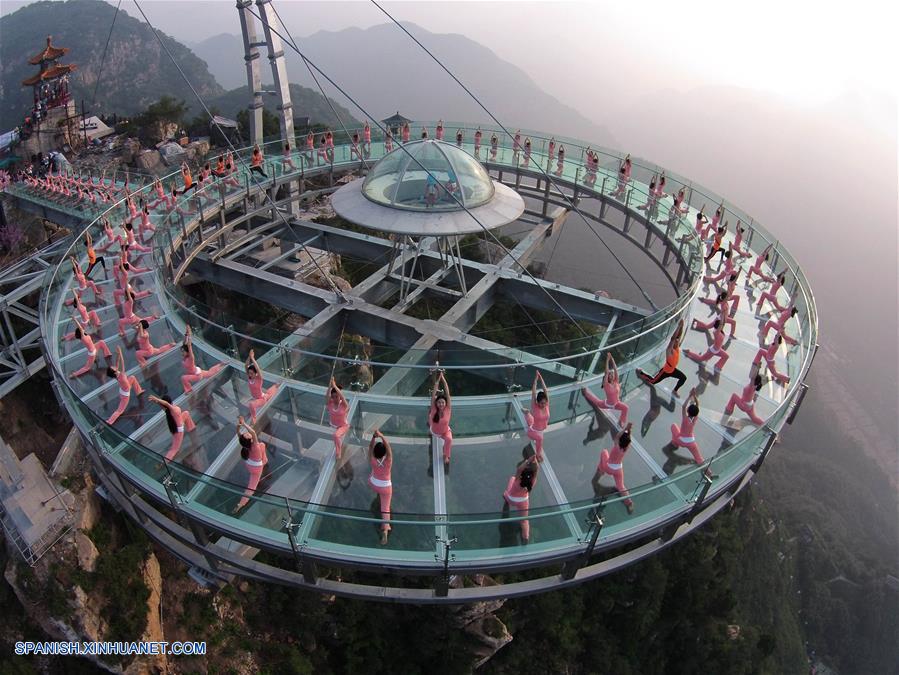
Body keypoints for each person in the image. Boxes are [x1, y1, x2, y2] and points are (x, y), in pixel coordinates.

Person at [592, 422, 635, 514]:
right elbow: (627, 438)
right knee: (621, 486)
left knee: (604, 452)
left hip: (608, 467)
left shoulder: (616, 447)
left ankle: (601, 471)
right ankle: (629, 503)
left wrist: (625, 429)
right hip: (618, 469)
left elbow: (618, 436)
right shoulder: (626, 447)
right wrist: (629, 430)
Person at [636, 319, 687, 396]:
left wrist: (682, 326)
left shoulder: (676, 348)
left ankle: (675, 390)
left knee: (683, 378)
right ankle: (640, 373)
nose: (677, 341)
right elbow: (673, 338)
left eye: (677, 341)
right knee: (653, 381)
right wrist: (679, 326)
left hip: (673, 370)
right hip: (665, 371)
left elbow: (678, 336)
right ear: (673, 343)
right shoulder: (670, 350)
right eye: (676, 341)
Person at [669, 387, 712, 476]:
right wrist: (694, 396)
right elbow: (697, 405)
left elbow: (684, 406)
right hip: (691, 441)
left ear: (688, 411)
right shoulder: (695, 418)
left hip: (681, 440)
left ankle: (674, 443)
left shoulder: (685, 419)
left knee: (673, 426)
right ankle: (709, 472)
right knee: (699, 458)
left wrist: (689, 396)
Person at [581, 353, 628, 426]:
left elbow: (615, 369)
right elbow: (606, 371)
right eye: (610, 375)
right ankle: (585, 393)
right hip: (606, 404)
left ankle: (621, 422)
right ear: (608, 377)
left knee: (625, 408)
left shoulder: (616, 381)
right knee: (596, 401)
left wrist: (612, 359)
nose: (611, 375)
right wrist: (607, 360)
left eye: (612, 374)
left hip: (616, 404)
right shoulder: (606, 385)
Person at [234, 416, 267, 512]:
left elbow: (238, 433)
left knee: (263, 445)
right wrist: (243, 423)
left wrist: (238, 426)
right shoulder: (255, 446)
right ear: (250, 440)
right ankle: (241, 504)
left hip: (249, 464)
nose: (248, 433)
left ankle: (264, 461)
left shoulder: (244, 444)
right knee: (252, 487)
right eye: (247, 435)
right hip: (257, 468)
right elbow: (253, 432)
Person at [503, 453, 539, 543]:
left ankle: (505, 497)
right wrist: (535, 463)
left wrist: (529, 460)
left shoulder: (518, 480)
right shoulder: (533, 481)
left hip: (511, 499)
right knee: (524, 521)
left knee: (512, 479)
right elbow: (536, 470)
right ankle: (525, 537)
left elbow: (519, 469)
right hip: (523, 501)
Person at [149, 394, 197, 460]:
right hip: (179, 430)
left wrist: (157, 401)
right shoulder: (172, 409)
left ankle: (191, 427)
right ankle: (165, 461)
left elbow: (164, 405)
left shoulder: (168, 410)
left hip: (179, 422)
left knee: (186, 413)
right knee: (174, 449)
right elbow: (166, 404)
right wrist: (157, 400)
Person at [180, 325, 226, 393]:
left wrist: (189, 334)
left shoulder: (191, 357)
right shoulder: (185, 357)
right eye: (182, 351)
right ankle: (220, 364)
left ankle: (188, 390)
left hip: (196, 375)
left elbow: (189, 345)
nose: (182, 353)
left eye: (183, 351)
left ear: (187, 352)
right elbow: (184, 344)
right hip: (197, 371)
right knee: (210, 373)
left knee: (183, 378)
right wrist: (186, 333)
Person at [106, 346, 144, 425]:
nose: (113, 366)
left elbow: (117, 362)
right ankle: (109, 421)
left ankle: (139, 391)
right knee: (120, 411)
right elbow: (122, 364)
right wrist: (120, 353)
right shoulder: (122, 376)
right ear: (115, 372)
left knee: (132, 377)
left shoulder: (116, 375)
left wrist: (118, 354)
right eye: (113, 368)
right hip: (125, 395)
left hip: (124, 388)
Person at [368, 428, 393, 545]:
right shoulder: (388, 460)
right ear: (385, 453)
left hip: (373, 484)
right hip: (385, 488)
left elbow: (370, 448)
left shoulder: (372, 459)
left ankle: (378, 493)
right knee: (385, 509)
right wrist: (381, 435)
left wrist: (374, 437)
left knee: (373, 472)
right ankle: (385, 529)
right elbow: (388, 447)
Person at [245, 349, 279, 424]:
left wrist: (253, 358)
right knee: (268, 393)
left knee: (251, 405)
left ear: (256, 374)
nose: (249, 374)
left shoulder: (259, 379)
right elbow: (246, 365)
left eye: (251, 373)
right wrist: (249, 357)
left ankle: (254, 418)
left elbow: (257, 369)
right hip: (258, 397)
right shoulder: (249, 377)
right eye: (249, 373)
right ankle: (275, 386)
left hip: (261, 399)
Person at [429, 370, 453, 471]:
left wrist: (443, 379)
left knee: (449, 439)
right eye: (439, 402)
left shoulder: (448, 409)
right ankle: (429, 420)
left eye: (443, 402)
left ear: (445, 403)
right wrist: (437, 381)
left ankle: (446, 455)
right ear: (436, 403)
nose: (441, 404)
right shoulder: (434, 409)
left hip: (444, 432)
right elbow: (434, 393)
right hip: (435, 432)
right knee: (431, 417)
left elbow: (447, 393)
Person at [525, 372, 550, 461]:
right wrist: (535, 380)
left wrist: (541, 378)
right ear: (537, 402)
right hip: (533, 432)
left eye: (545, 402)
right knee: (540, 439)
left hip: (540, 429)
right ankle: (538, 455)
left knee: (531, 420)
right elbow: (534, 392)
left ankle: (527, 413)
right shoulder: (535, 407)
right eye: (541, 403)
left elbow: (545, 390)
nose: (544, 404)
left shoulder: (547, 405)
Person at [326, 376, 349, 459]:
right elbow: (327, 396)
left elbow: (342, 396)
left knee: (336, 436)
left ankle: (338, 453)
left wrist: (334, 385)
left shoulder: (343, 404)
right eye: (333, 397)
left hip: (343, 426)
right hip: (333, 425)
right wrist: (330, 385)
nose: (335, 398)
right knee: (335, 434)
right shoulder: (330, 403)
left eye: (337, 396)